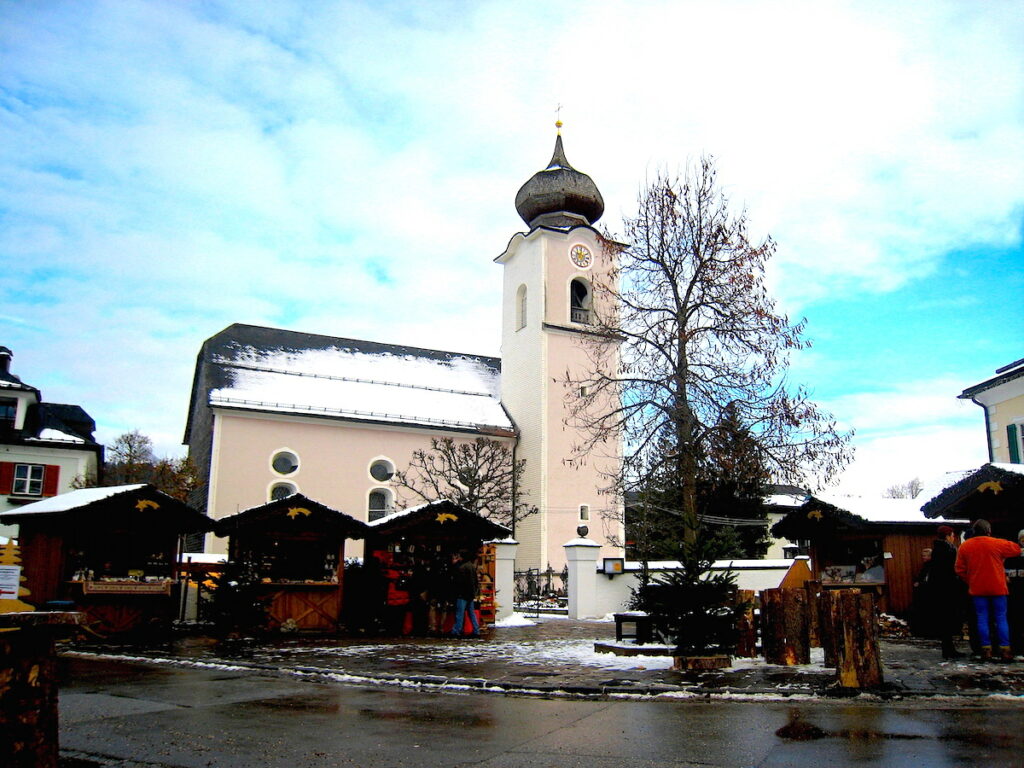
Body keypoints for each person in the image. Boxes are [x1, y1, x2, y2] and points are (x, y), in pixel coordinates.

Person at [955, 519, 1022, 661]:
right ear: (989, 531)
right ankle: (1005, 650)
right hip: (998, 587)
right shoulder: (997, 543)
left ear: (974, 531)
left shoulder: (965, 547)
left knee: (982, 618)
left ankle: (986, 650)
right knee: (1001, 618)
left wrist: (971, 580)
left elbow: (959, 569)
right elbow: (1016, 549)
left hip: (978, 589)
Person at [928, 525, 965, 659]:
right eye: (953, 535)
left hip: (939, 589)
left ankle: (948, 648)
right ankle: (949, 649)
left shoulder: (937, 550)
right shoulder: (949, 551)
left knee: (945, 620)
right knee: (948, 619)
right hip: (948, 589)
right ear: (948, 536)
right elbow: (954, 570)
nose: (954, 538)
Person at [449, 550, 480, 638]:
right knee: (471, 613)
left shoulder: (462, 568)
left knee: (460, 614)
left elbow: (459, 582)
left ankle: (456, 630)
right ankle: (476, 630)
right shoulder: (472, 566)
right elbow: (475, 581)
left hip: (462, 594)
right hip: (470, 594)